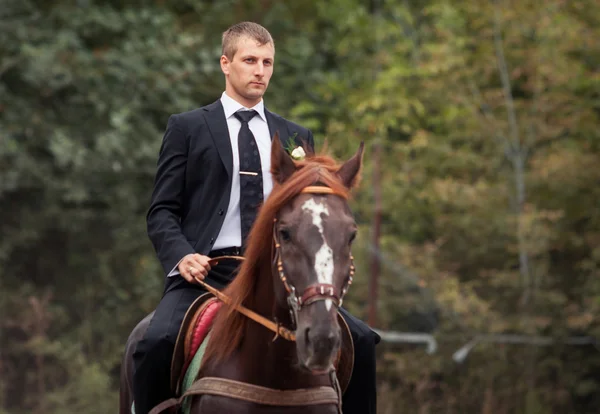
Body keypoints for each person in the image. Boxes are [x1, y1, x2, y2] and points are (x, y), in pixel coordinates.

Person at [132, 21, 380, 414]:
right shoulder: (188, 128)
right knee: (155, 342)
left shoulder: (296, 137)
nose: (260, 70)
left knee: (363, 341)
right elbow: (162, 210)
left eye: (267, 62)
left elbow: (309, 215)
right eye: (250, 60)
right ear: (226, 64)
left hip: (279, 273)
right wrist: (183, 257)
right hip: (207, 275)